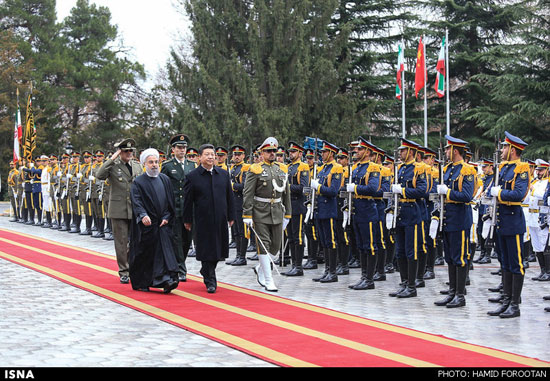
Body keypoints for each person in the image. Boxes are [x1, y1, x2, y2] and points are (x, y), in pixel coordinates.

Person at [487, 131, 530, 318]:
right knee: (504, 263)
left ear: (513, 149)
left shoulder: (521, 169)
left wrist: (500, 194)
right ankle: (506, 300)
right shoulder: (503, 167)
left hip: (513, 221)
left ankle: (514, 304)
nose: (502, 149)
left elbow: (519, 195)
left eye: (505, 147)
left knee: (515, 264)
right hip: (501, 221)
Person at [183, 144, 235, 293]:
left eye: (212, 154)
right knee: (206, 249)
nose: (211, 157)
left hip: (220, 218)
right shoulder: (192, 177)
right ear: (200, 157)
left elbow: (229, 196)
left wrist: (231, 215)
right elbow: (188, 201)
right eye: (207, 154)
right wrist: (187, 220)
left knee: (218, 250)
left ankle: (206, 270)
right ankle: (210, 279)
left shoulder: (223, 174)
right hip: (202, 220)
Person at [243, 137, 292, 292]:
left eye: (273, 151)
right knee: (263, 244)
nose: (272, 154)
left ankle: (261, 268)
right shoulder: (255, 169)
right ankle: (268, 280)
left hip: (277, 211)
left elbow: (286, 193)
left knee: (276, 247)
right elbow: (248, 193)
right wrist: (247, 214)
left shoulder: (282, 169)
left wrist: (288, 214)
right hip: (260, 211)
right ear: (261, 153)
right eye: (268, 151)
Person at [129, 148, 179, 293]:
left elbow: (170, 201)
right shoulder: (138, 182)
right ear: (144, 164)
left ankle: (167, 280)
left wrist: (167, 217)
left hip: (163, 225)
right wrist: (143, 215)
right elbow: (136, 201)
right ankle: (143, 282)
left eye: (156, 162)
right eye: (151, 162)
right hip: (147, 226)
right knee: (146, 255)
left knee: (165, 254)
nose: (154, 165)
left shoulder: (164, 179)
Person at [433, 135, 475, 308]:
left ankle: (460, 295)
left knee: (460, 257)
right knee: (449, 257)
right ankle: (452, 292)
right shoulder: (448, 169)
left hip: (459, 218)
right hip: (448, 218)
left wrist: (447, 192)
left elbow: (467, 196)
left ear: (455, 151)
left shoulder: (467, 170)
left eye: (448, 149)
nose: (445, 152)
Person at [96, 138, 143, 284]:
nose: (129, 153)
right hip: (119, 208)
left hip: (134, 208)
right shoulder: (113, 166)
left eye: (131, 151)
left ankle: (133, 266)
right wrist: (111, 159)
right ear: (120, 152)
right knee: (121, 241)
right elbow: (100, 175)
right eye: (126, 151)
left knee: (136, 241)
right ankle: (124, 271)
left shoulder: (137, 166)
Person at [388, 138, 427, 298]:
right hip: (400, 213)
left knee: (411, 251)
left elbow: (422, 190)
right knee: (400, 251)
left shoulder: (419, 168)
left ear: (410, 152)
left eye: (403, 150)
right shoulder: (401, 169)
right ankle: (404, 283)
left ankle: (412, 285)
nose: (400, 153)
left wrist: (403, 191)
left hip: (412, 212)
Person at [161, 134, 197, 282]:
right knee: (176, 238)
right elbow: (162, 186)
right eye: (179, 147)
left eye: (184, 147)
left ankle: (179, 263)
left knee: (187, 239)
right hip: (174, 207)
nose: (182, 150)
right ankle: (180, 268)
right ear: (173, 149)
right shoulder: (168, 166)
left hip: (188, 208)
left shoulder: (191, 165)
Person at [310, 140, 344, 283]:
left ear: (331, 153)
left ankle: (333, 272)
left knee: (331, 241)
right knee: (323, 241)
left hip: (329, 208)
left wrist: (318, 187)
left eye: (324, 152)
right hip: (320, 209)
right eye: (322, 152)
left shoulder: (336, 168)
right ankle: (327, 270)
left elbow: (333, 191)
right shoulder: (323, 168)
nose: (322, 154)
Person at [282, 141, 309, 276]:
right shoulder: (287, 167)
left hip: (298, 205)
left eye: (293, 151)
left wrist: (286, 186)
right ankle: (294, 265)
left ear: (300, 153)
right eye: (290, 151)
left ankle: (298, 266)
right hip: (288, 206)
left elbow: (303, 188)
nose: (291, 154)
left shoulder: (303, 167)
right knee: (291, 237)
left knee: (298, 236)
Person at [226, 145, 250, 266]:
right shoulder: (234, 168)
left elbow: (246, 186)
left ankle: (242, 256)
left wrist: (233, 186)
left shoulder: (245, 168)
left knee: (242, 231)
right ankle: (238, 255)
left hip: (242, 203)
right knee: (235, 232)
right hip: (234, 203)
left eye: (239, 154)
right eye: (235, 154)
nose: (236, 156)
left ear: (243, 156)